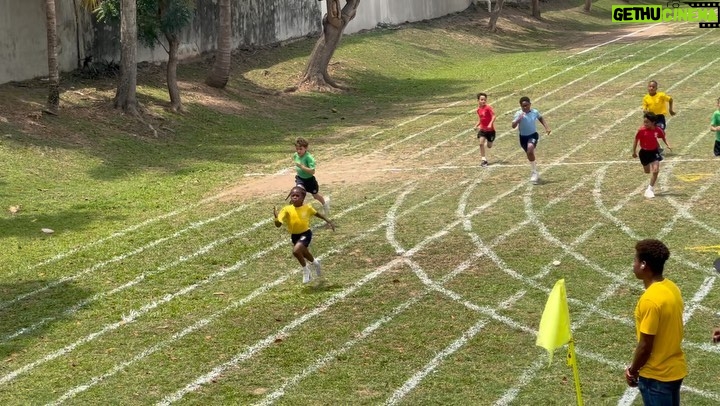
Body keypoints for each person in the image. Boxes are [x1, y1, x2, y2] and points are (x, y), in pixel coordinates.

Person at [625, 239, 687, 406]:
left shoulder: (650, 300)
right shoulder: (672, 287)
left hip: (657, 376)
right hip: (674, 369)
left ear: (644, 264)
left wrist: (633, 371)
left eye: (635, 260)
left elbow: (646, 345)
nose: (633, 264)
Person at [274, 185, 334, 284]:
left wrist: (328, 221)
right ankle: (316, 263)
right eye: (292, 195)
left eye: (297, 195)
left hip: (306, 234)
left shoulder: (307, 208)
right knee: (304, 254)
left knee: (296, 251)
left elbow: (317, 214)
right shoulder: (286, 209)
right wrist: (276, 218)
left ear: (302, 198)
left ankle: (306, 271)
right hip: (294, 236)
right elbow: (278, 224)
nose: (294, 197)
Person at [511, 96, 551, 184]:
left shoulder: (534, 112)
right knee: (529, 153)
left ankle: (534, 172)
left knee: (530, 150)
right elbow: (513, 125)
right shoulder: (518, 113)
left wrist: (547, 127)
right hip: (523, 137)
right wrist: (519, 119)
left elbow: (540, 118)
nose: (525, 107)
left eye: (527, 105)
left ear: (530, 104)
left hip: (533, 135)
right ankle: (535, 170)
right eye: (523, 106)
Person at [632, 113, 671, 199]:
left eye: (647, 122)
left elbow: (663, 136)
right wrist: (634, 152)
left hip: (654, 152)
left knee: (656, 170)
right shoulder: (641, 130)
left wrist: (667, 144)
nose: (645, 124)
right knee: (647, 171)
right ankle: (648, 164)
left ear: (653, 122)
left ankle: (649, 189)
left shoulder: (658, 130)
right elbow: (636, 140)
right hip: (644, 153)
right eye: (644, 122)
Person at [293, 137, 330, 215]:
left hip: (309, 180)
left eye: (301, 149)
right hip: (300, 179)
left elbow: (312, 171)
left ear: (306, 148)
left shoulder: (309, 158)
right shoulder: (295, 155)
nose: (298, 151)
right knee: (298, 192)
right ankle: (298, 211)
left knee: (315, 196)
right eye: (297, 149)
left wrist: (302, 167)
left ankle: (325, 203)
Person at [642, 80, 676, 156]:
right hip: (652, 118)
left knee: (658, 131)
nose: (651, 88)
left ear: (656, 88)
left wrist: (670, 109)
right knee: (650, 134)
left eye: (653, 87)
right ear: (648, 87)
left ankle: (661, 139)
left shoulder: (661, 95)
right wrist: (645, 112)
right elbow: (644, 108)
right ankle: (658, 148)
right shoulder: (646, 98)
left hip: (660, 117)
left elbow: (670, 99)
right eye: (650, 86)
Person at [474, 92, 497, 167]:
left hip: (491, 131)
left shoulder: (488, 108)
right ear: (478, 100)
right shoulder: (478, 110)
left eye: (484, 100)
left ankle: (489, 141)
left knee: (489, 146)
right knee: (481, 143)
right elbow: (481, 119)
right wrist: (476, 125)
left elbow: (493, 116)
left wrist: (490, 123)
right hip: (483, 130)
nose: (483, 101)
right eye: (481, 99)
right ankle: (483, 159)